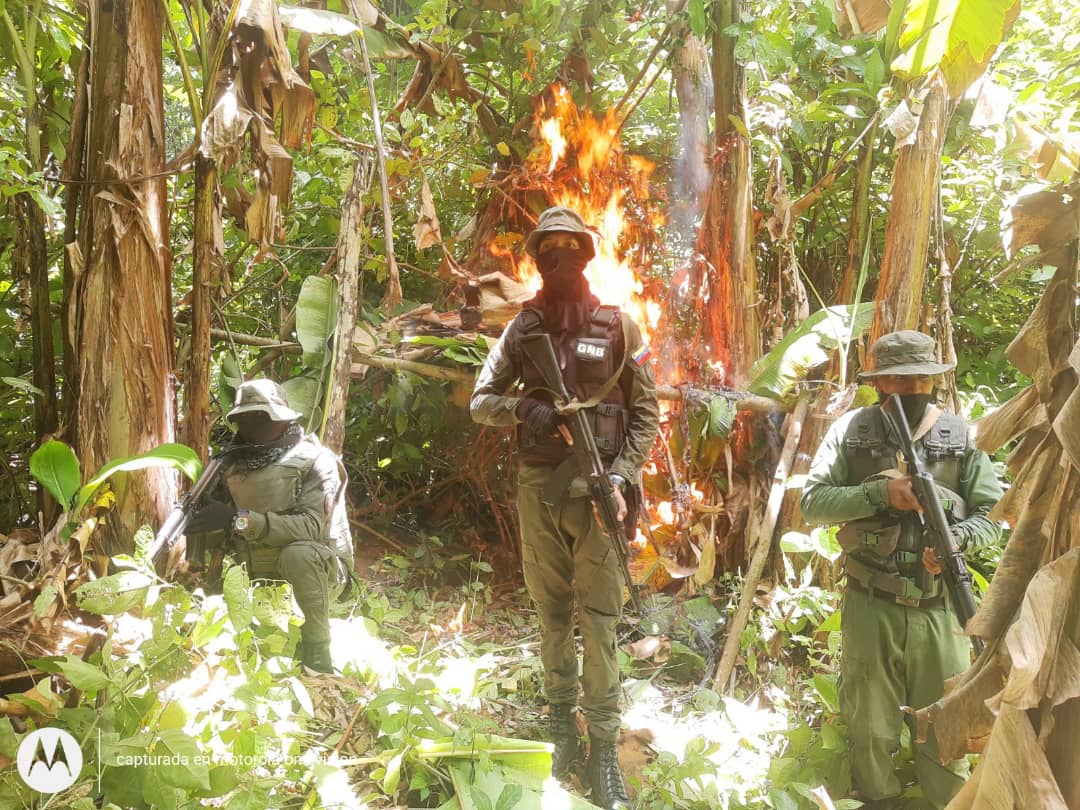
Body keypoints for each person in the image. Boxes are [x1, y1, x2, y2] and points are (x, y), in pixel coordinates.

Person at [471, 206, 659, 810]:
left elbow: (648, 410)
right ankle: (561, 728)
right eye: (548, 249)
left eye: (570, 247)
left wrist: (624, 475)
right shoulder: (520, 330)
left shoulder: (619, 326)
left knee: (600, 623)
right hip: (538, 489)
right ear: (536, 257)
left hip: (599, 495)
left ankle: (602, 746)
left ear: (585, 251)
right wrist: (524, 410)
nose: (560, 259)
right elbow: (481, 401)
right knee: (552, 613)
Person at [801, 330, 1003, 809]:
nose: (909, 389)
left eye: (918, 380)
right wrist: (878, 494)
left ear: (931, 379)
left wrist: (957, 541)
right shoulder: (851, 431)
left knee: (944, 733)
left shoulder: (958, 437)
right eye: (897, 380)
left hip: (939, 609)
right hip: (871, 603)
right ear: (880, 382)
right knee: (870, 729)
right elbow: (812, 502)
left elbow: (994, 515)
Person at [186, 379, 353, 674]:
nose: (250, 424)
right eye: (242, 417)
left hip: (319, 569)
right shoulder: (231, 464)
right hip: (253, 570)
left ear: (280, 416)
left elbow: (312, 528)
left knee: (298, 554)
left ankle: (318, 651)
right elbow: (218, 527)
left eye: (260, 416)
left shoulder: (316, 460)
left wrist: (237, 520)